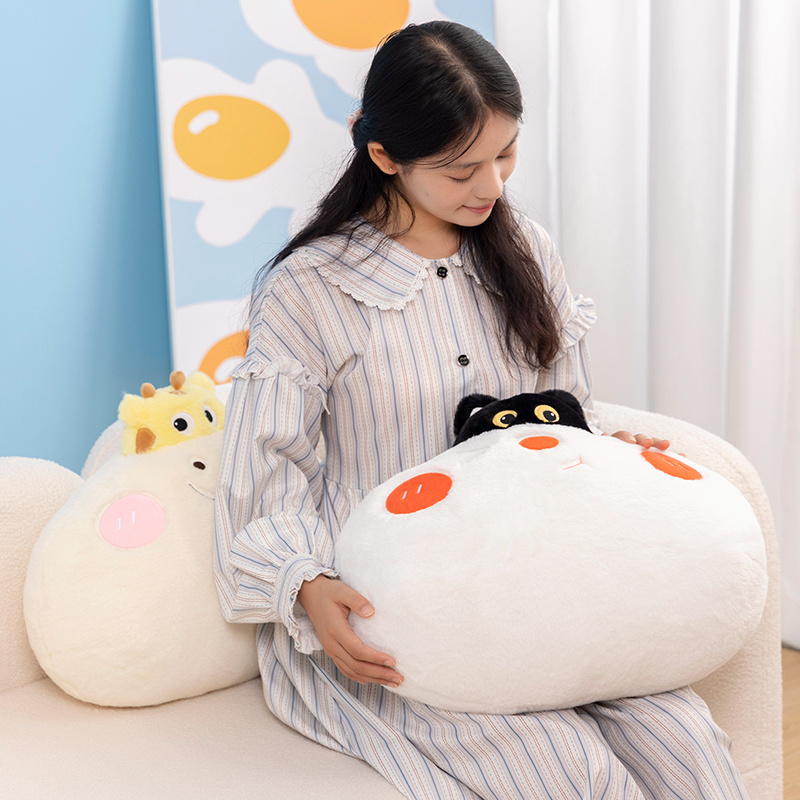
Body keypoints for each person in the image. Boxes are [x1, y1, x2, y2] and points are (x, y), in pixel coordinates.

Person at [214, 20, 749, 800]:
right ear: (385, 156)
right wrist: (305, 584)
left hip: (538, 575)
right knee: (569, 769)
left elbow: (567, 413)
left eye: (506, 154)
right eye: (462, 168)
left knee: (686, 742)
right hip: (393, 602)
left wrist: (612, 458)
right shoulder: (311, 289)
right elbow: (264, 472)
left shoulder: (524, 248)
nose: (491, 186)